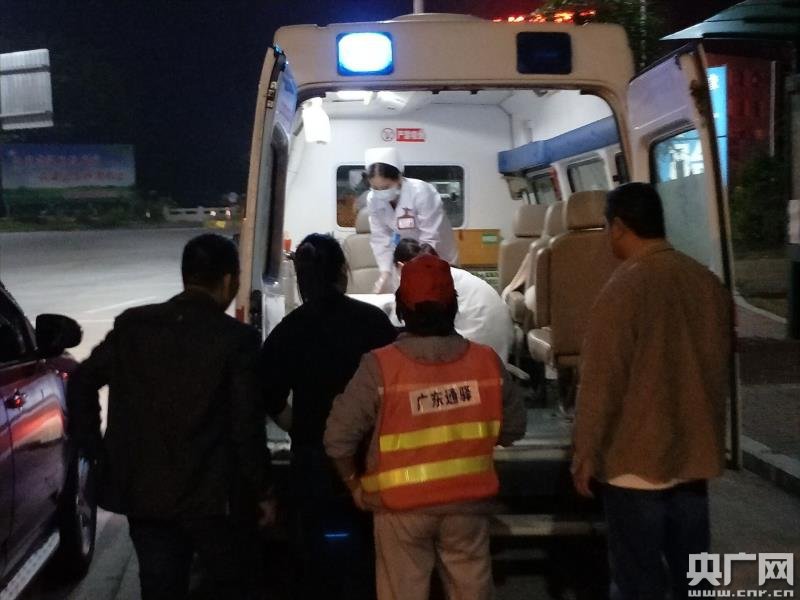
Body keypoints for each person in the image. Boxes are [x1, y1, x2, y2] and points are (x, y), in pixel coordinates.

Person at [67, 233, 273, 600]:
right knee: (231, 584)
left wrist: (96, 451)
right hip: (214, 500)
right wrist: (263, 490)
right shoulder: (236, 339)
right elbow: (246, 428)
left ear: (186, 276)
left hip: (146, 494)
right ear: (228, 280)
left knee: (159, 586)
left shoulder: (134, 326)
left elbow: (82, 381)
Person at [324, 254, 526, 600]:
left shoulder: (380, 367)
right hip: (467, 506)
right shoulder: (487, 362)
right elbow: (514, 428)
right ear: (454, 306)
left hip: (399, 511)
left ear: (402, 309)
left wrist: (355, 485)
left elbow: (337, 439)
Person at [571, 183, 733, 600]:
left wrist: (585, 451)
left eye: (607, 228)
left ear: (620, 227)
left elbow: (602, 381)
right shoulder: (707, 283)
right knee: (695, 579)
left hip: (634, 464)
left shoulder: (623, 288)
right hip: (694, 460)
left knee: (637, 581)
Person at [260, 233, 397, 600]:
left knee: (313, 558)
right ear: (342, 273)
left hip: (312, 457)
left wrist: (295, 425)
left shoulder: (291, 329)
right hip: (368, 456)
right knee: (368, 557)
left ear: (302, 280)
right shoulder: (373, 322)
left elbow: (267, 390)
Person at [394, 238, 514, 361]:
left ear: (401, 267)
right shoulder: (451, 276)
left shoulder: (429, 285)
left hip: (479, 348)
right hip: (499, 346)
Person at [364, 147, 458, 292]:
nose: (380, 192)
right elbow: (380, 238)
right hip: (405, 254)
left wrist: (418, 271)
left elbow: (430, 238)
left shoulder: (421, 192)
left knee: (437, 293)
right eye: (375, 188)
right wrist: (385, 273)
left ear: (399, 178)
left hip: (436, 254)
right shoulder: (373, 199)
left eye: (386, 187)